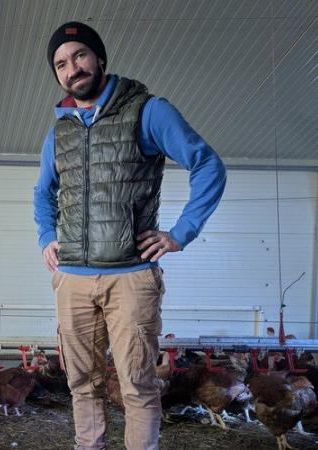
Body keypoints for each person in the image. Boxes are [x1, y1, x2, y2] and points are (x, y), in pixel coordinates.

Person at [33, 22, 227, 450]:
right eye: (61, 63)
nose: (72, 68)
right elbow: (43, 191)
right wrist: (47, 233)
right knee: (81, 383)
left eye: (80, 55)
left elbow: (208, 165)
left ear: (99, 58)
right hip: (73, 280)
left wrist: (180, 233)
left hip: (131, 276)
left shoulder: (148, 110)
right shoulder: (59, 130)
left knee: (137, 385)